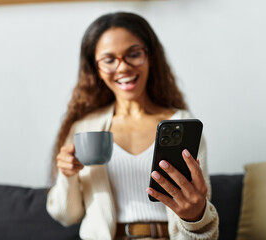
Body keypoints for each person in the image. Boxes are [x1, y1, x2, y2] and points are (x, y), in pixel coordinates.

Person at [46, 12, 219, 240]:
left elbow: (199, 211)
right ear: (95, 68)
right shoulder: (84, 128)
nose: (123, 67)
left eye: (134, 54)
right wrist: (67, 175)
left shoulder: (181, 122)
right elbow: (66, 215)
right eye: (109, 60)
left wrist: (196, 215)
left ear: (150, 57)